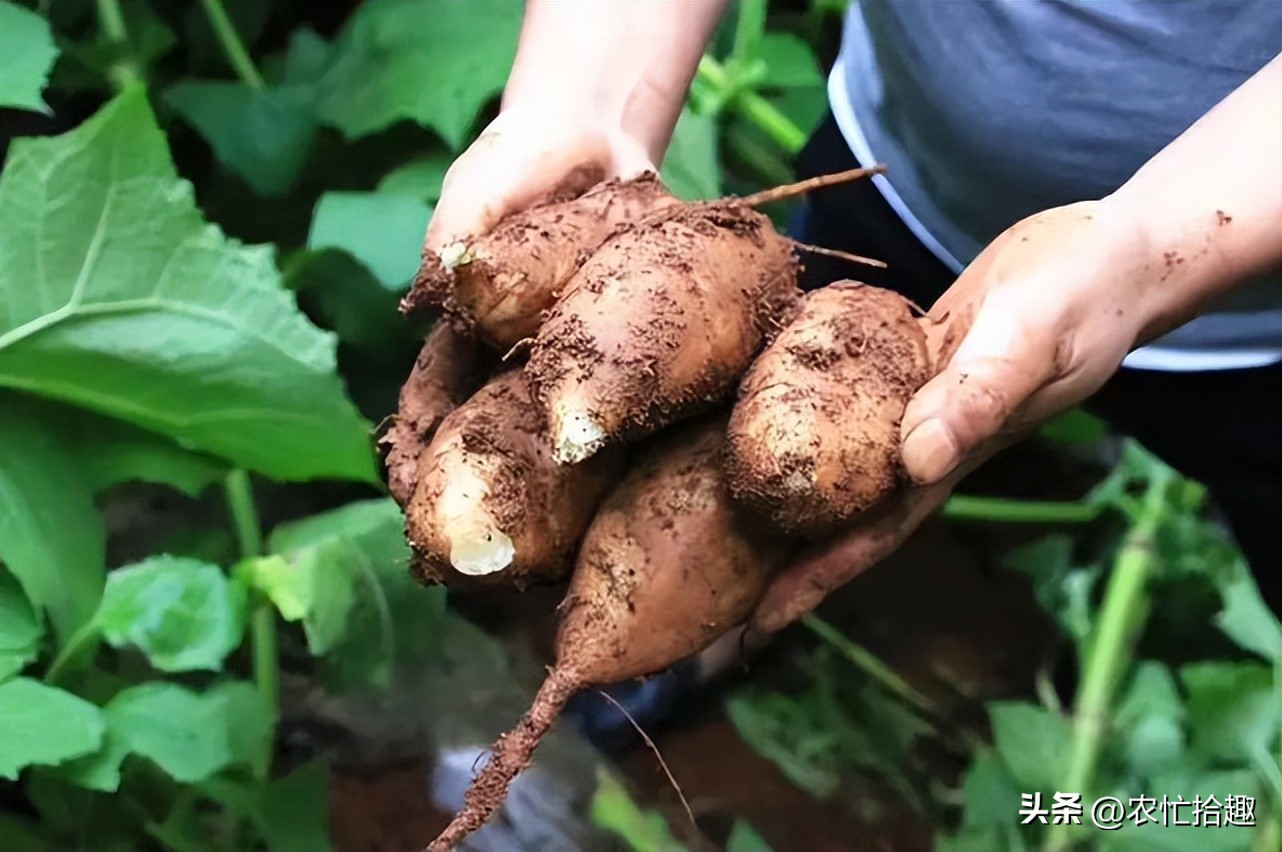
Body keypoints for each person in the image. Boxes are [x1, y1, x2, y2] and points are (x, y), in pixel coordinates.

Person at [424, 0, 1282, 624]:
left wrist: (1155, 241)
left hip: (1257, 319)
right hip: (894, 178)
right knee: (745, 467)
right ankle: (713, 644)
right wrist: (587, 99)